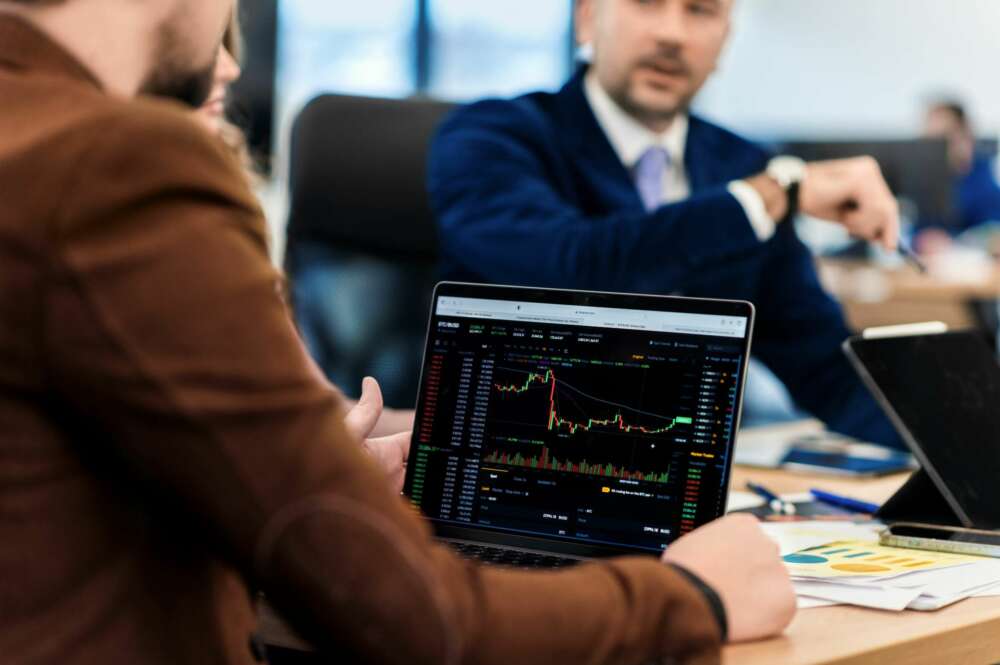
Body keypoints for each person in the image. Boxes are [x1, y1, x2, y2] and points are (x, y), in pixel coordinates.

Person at [0, 2, 795, 665]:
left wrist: (288, 479)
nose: (232, 55)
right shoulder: (117, 164)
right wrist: (692, 596)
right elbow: (416, 621)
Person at [429, 0, 905, 448]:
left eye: (700, 10)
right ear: (587, 18)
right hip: (518, 468)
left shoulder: (741, 164)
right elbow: (571, 268)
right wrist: (769, 195)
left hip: (692, 484)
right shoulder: (491, 136)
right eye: (646, 2)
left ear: (725, 40)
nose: (672, 34)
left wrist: (954, 448)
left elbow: (825, 368)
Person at [921, 99, 1000, 236]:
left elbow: (993, 232)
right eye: (930, 141)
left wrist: (950, 240)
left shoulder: (984, 183)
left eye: (942, 138)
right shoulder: (928, 182)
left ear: (965, 135)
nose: (934, 148)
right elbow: (917, 229)